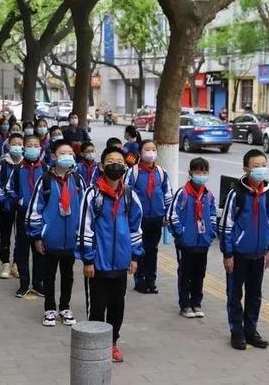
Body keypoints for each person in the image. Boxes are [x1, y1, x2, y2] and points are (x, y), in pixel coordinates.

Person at [78, 147, 143, 362]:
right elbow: (85, 228)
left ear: (124, 166)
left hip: (121, 264)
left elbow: (135, 227)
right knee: (97, 307)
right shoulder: (93, 194)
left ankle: (112, 343)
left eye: (119, 161)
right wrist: (88, 259)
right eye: (110, 161)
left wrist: (134, 256)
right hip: (98, 264)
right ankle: (95, 344)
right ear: (102, 166)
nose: (115, 164)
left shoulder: (129, 195)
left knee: (117, 307)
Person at [219, 148, 269, 351]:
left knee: (255, 295)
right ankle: (237, 332)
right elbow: (226, 224)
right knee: (235, 295)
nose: (260, 169)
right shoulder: (237, 193)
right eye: (256, 166)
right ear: (246, 169)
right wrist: (228, 253)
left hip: (259, 254)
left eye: (263, 165)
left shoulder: (268, 192)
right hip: (238, 254)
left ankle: (251, 331)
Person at [26, 140, 85, 327]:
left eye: (70, 153)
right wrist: (37, 236)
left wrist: (81, 234)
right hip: (50, 239)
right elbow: (35, 210)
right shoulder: (44, 180)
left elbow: (85, 209)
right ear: (53, 156)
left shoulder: (77, 180)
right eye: (62, 153)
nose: (67, 156)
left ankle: (65, 307)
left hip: (71, 240)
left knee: (68, 275)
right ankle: (49, 308)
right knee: (49, 275)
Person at [168, 157, 217, 318]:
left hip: (203, 242)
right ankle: (185, 304)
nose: (201, 175)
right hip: (186, 243)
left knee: (199, 273)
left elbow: (212, 216)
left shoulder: (208, 195)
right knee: (185, 273)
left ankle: (197, 303)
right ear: (190, 173)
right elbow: (171, 215)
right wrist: (180, 233)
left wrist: (211, 233)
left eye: (204, 172)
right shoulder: (182, 193)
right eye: (198, 172)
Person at [126, 140, 173, 294]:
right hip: (139, 219)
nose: (151, 152)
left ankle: (151, 281)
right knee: (139, 249)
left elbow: (167, 193)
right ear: (140, 153)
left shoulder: (161, 172)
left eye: (153, 149)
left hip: (157, 217)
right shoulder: (133, 172)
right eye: (147, 149)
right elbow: (126, 194)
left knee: (152, 250)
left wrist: (167, 213)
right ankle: (139, 281)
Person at [6, 134, 48, 297]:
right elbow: (9, 188)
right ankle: (24, 283)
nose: (33, 148)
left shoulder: (45, 169)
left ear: (40, 148)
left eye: (35, 145)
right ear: (24, 148)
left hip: (40, 218)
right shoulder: (18, 169)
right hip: (23, 215)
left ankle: (38, 283)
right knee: (22, 250)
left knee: (40, 251)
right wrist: (19, 201)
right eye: (29, 145)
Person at [0, 132, 24, 279]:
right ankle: (5, 263)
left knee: (20, 236)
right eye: (14, 144)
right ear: (8, 145)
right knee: (5, 234)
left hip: (22, 207)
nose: (17, 147)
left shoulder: (25, 165)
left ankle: (16, 265)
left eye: (19, 144)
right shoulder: (3, 164)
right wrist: (4, 200)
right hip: (6, 206)